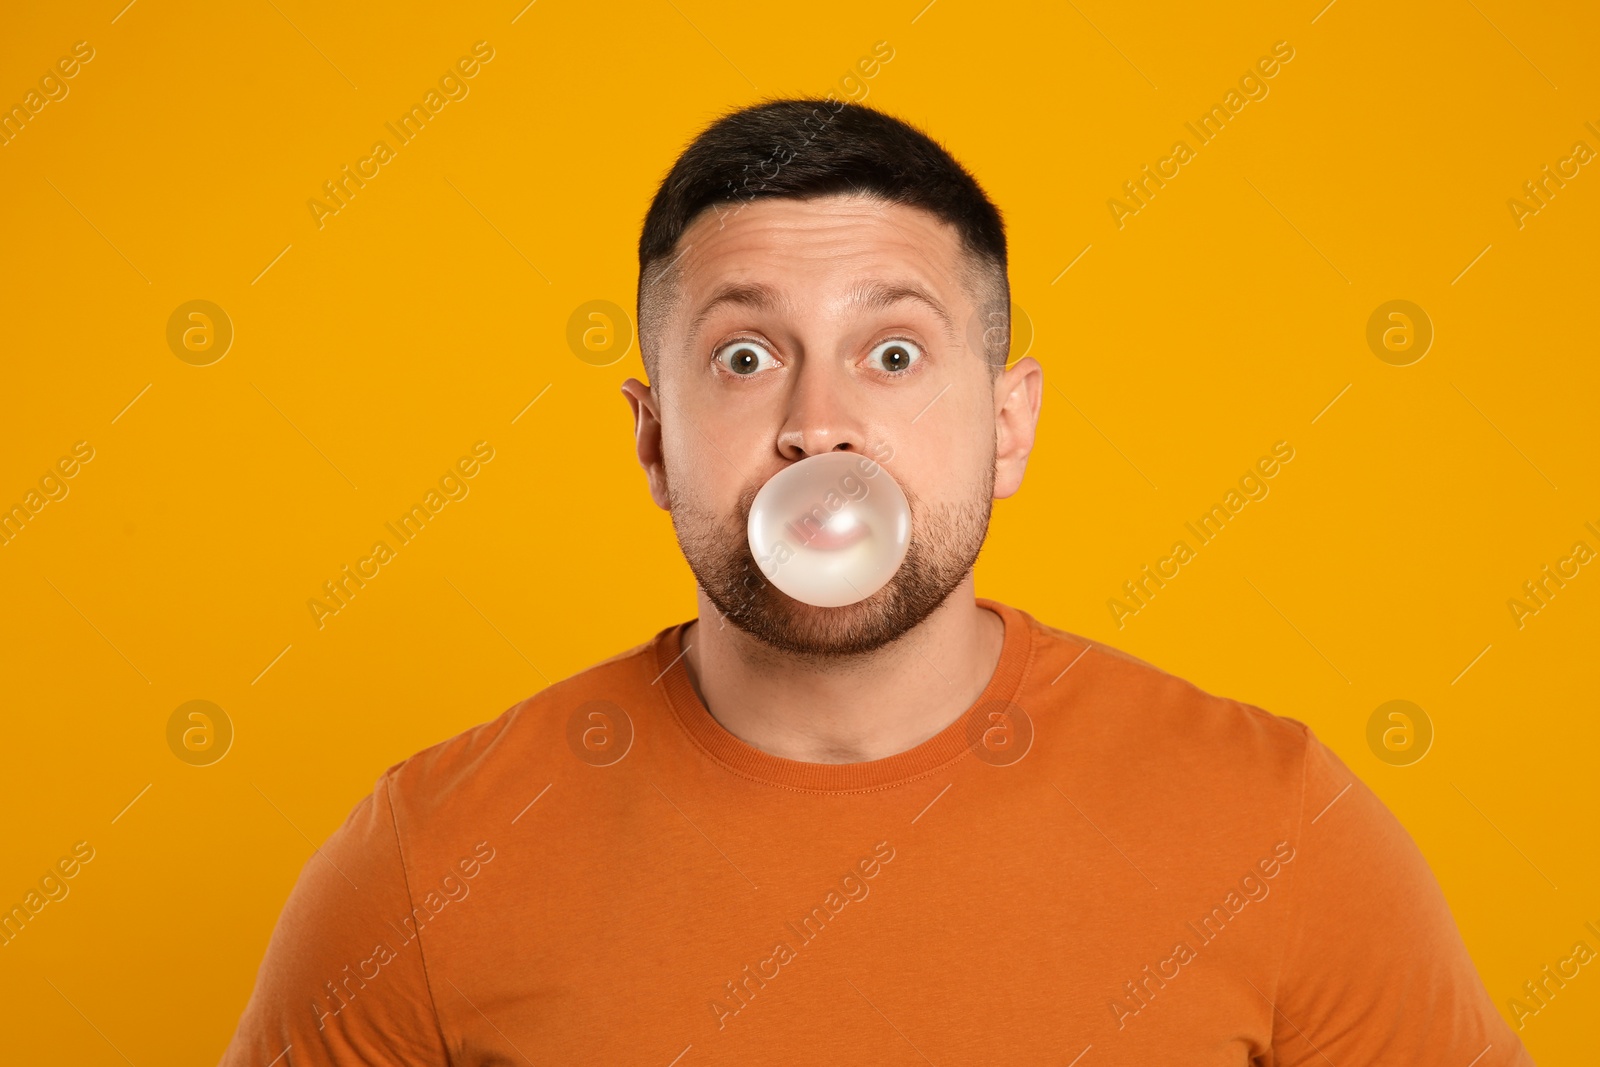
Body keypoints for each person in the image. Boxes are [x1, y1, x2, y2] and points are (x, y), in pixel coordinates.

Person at [220, 98, 1535, 1065]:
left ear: (1008, 423)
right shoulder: (428, 865)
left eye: (893, 355)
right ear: (652, 436)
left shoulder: (1277, 830)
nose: (819, 424)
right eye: (744, 359)